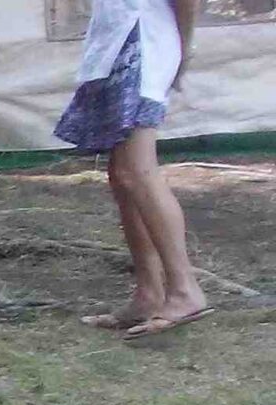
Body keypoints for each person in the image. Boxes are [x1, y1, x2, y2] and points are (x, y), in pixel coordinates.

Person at [58, 0, 211, 338]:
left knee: (137, 170)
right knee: (121, 174)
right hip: (113, 44)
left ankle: (185, 289)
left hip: (143, 43)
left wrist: (184, 50)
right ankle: (149, 293)